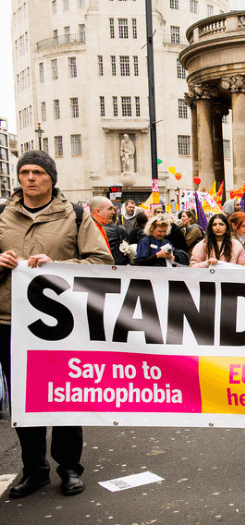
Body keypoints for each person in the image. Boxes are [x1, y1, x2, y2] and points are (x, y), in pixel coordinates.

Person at [0, 150, 113, 498]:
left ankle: (68, 468)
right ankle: (34, 469)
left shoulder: (76, 215)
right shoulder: (1, 215)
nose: (30, 178)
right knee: (23, 400)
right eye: (24, 172)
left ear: (51, 178)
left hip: (61, 324)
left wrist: (58, 265)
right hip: (10, 321)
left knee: (63, 395)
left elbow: (101, 262)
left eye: (37, 172)